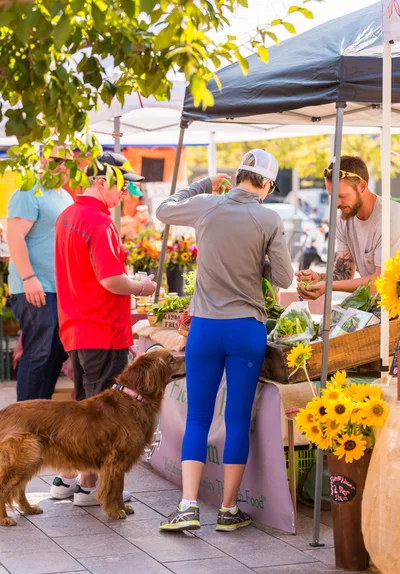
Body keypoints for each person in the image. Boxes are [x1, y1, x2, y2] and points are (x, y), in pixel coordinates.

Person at [156, 149, 293, 532]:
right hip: (246, 329)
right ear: (265, 184)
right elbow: (283, 279)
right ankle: (229, 511)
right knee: (235, 420)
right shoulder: (268, 217)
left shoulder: (206, 205)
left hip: (205, 327)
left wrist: (201, 183)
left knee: (198, 418)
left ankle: (187, 506)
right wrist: (259, 257)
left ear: (236, 176)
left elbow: (164, 210)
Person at [51, 151, 157, 507]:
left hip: (77, 326)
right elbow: (112, 279)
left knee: (83, 409)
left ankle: (67, 480)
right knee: (100, 418)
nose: (127, 191)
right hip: (102, 328)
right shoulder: (97, 221)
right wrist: (143, 287)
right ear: (102, 182)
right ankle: (87, 486)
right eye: (123, 184)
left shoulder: (68, 214)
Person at [7, 148, 72, 400]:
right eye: (57, 160)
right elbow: (14, 236)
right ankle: (25, 423)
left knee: (56, 353)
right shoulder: (29, 189)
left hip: (59, 290)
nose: (63, 165)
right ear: (42, 160)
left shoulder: (65, 196)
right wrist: (28, 278)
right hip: (34, 287)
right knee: (38, 354)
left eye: (67, 161)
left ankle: (41, 416)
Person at [297, 156, 400, 300]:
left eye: (342, 196)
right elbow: (343, 274)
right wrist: (319, 278)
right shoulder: (344, 219)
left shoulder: (391, 218)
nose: (337, 203)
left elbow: (382, 281)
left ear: (362, 186)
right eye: (333, 197)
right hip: (378, 304)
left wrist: (328, 286)